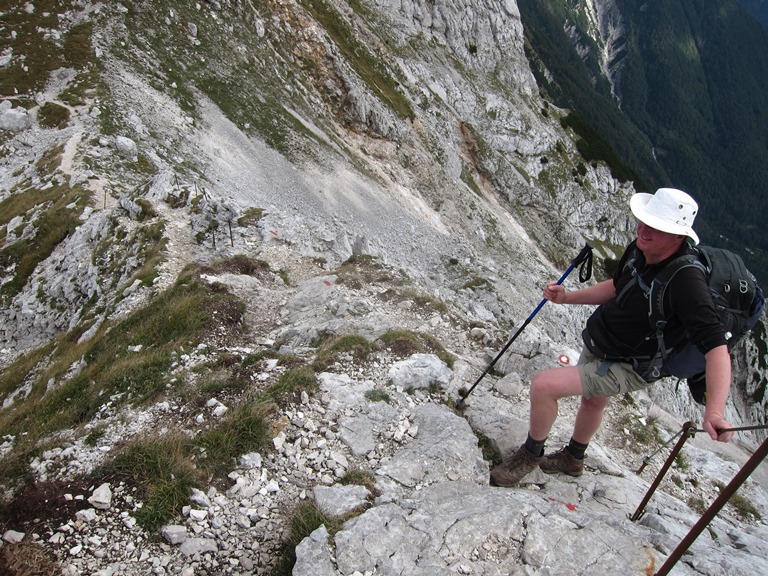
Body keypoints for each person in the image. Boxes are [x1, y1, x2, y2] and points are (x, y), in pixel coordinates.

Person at [490, 187, 735, 487]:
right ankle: (573, 458)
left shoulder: (687, 283)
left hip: (631, 363)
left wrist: (715, 410)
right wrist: (568, 298)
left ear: (678, 236)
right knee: (592, 402)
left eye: (657, 227)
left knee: (544, 386)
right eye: (644, 221)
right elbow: (619, 287)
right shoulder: (642, 248)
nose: (644, 229)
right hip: (605, 340)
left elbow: (717, 349)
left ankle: (529, 456)